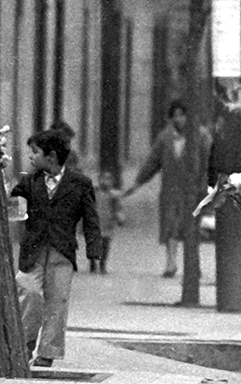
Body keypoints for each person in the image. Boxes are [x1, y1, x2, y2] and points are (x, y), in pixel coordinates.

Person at [12, 129, 102, 367]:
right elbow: (14, 207)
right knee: (28, 291)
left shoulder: (80, 184)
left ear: (51, 157)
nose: (31, 157)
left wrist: (94, 248)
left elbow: (91, 218)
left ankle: (48, 352)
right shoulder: (29, 181)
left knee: (58, 300)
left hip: (62, 251)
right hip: (33, 250)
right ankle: (24, 344)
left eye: (35, 153)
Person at [125, 100, 210, 278]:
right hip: (170, 190)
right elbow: (152, 162)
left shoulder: (201, 136)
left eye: (182, 115)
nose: (179, 119)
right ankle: (170, 263)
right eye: (175, 115)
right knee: (170, 227)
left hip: (193, 191)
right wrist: (137, 183)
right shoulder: (165, 138)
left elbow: (208, 163)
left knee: (191, 228)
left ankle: (193, 264)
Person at [90, 170, 124, 274]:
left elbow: (118, 208)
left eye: (109, 179)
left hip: (107, 224)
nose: (106, 181)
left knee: (105, 245)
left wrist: (120, 217)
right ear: (99, 180)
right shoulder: (94, 193)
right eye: (103, 179)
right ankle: (92, 262)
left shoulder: (114, 196)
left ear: (112, 182)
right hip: (94, 223)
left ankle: (102, 264)